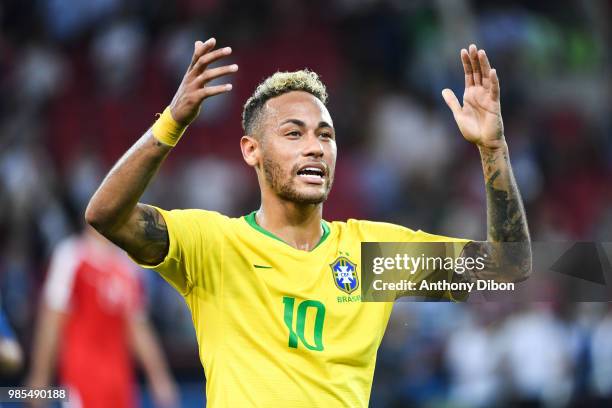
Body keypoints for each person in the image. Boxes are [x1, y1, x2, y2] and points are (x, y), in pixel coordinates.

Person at [85, 38, 531, 407]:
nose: (315, 147)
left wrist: (492, 148)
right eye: (294, 134)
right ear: (251, 151)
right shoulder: (214, 246)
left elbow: (506, 266)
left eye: (325, 135)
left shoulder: (371, 256)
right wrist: (172, 122)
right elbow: (106, 215)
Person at [27, 226, 178, 408]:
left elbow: (138, 329)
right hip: (82, 378)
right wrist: (40, 376)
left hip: (120, 382)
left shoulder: (128, 266)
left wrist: (159, 378)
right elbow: (52, 321)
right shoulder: (71, 257)